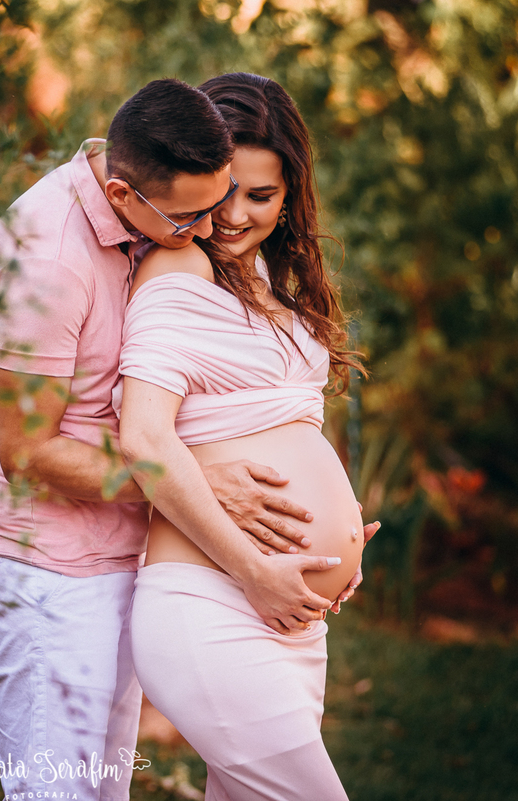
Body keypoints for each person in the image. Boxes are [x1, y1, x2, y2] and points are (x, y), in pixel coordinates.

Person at [0, 78, 361, 801]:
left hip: (129, 552)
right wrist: (200, 481)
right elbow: (29, 450)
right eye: (194, 215)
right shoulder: (50, 262)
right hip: (55, 565)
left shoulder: (150, 221)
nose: (213, 228)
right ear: (122, 195)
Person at [118, 72, 377, 800]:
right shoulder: (177, 266)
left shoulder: (272, 279)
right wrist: (255, 569)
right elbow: (143, 438)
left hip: (293, 621)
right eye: (224, 190)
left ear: (291, 195)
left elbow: (276, 426)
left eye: (260, 196)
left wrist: (340, 530)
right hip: (213, 601)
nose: (234, 215)